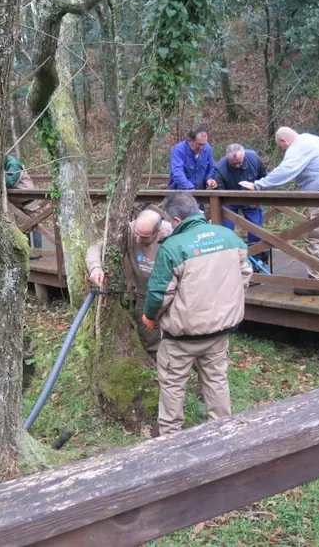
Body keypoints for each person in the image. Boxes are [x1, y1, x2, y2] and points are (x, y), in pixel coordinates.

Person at [142, 193, 252, 436]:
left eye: (169, 220)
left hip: (182, 336)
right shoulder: (229, 237)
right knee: (217, 381)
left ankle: (170, 437)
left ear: (177, 219)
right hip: (219, 330)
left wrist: (150, 316)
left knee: (172, 385)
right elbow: (245, 274)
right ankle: (223, 432)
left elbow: (159, 294)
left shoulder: (173, 247)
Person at [239, 127, 319, 296]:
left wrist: (258, 185)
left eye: (282, 148)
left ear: (284, 142)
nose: (284, 150)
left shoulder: (298, 146)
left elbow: (286, 170)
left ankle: (318, 280)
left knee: (317, 235)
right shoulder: (312, 140)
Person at [86, 209, 173, 365]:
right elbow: (95, 247)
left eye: (144, 237)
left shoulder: (171, 234)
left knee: (178, 338)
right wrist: (95, 267)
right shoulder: (129, 230)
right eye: (136, 234)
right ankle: (159, 367)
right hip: (143, 295)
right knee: (149, 337)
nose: (138, 239)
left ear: (157, 231)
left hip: (171, 296)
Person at [214, 144, 270, 271]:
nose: (238, 166)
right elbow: (218, 193)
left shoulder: (254, 159)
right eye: (234, 164)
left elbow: (265, 178)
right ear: (228, 159)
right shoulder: (220, 168)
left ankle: (256, 262)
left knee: (255, 230)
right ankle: (227, 263)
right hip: (229, 200)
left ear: (244, 156)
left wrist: (258, 197)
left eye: (239, 162)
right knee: (225, 231)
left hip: (251, 199)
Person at [4, 154, 42, 258]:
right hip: (20, 201)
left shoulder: (14, 164)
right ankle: (28, 252)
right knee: (24, 226)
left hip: (28, 199)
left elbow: (10, 181)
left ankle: (39, 252)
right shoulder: (10, 163)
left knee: (35, 225)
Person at [168, 126, 218, 191]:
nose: (202, 148)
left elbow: (211, 167)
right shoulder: (179, 150)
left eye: (204, 144)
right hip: (180, 194)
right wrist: (191, 189)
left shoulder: (207, 148)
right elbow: (177, 173)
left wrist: (209, 179)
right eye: (199, 144)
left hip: (201, 194)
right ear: (190, 140)